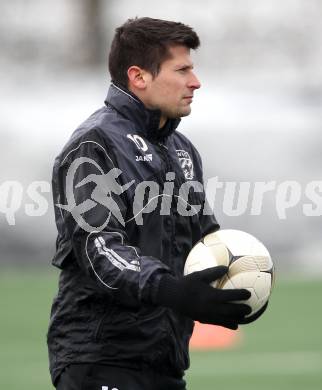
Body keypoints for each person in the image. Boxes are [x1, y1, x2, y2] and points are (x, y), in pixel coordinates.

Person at [47, 17, 258, 390]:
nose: (196, 82)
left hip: (165, 363)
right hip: (100, 361)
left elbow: (203, 241)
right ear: (139, 77)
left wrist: (237, 282)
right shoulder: (94, 146)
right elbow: (102, 251)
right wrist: (176, 292)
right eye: (182, 70)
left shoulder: (182, 151)